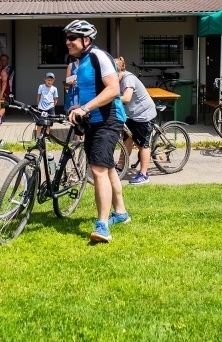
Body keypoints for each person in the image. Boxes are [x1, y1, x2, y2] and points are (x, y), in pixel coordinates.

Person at [63, 20, 129, 243]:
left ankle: (102, 227)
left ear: (86, 40)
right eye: (67, 38)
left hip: (108, 119)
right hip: (94, 119)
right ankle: (120, 213)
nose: (68, 42)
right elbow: (91, 91)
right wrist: (78, 107)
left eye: (72, 38)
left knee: (98, 170)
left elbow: (112, 90)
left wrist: (85, 108)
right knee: (107, 167)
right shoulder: (81, 62)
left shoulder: (98, 57)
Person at [115, 57, 157, 185]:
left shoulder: (128, 78)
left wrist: (110, 99)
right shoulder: (117, 80)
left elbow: (126, 98)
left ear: (119, 71)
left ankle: (144, 174)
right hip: (132, 115)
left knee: (142, 145)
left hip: (144, 115)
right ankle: (121, 166)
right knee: (127, 140)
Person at [35, 72, 59, 138]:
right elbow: (38, 96)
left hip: (50, 107)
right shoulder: (41, 86)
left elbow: (55, 98)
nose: (49, 82)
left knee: (49, 123)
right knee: (39, 123)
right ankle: (37, 137)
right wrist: (38, 105)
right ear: (45, 79)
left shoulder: (54, 89)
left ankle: (47, 136)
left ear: (53, 81)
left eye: (51, 80)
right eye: (48, 80)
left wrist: (53, 106)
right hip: (41, 107)